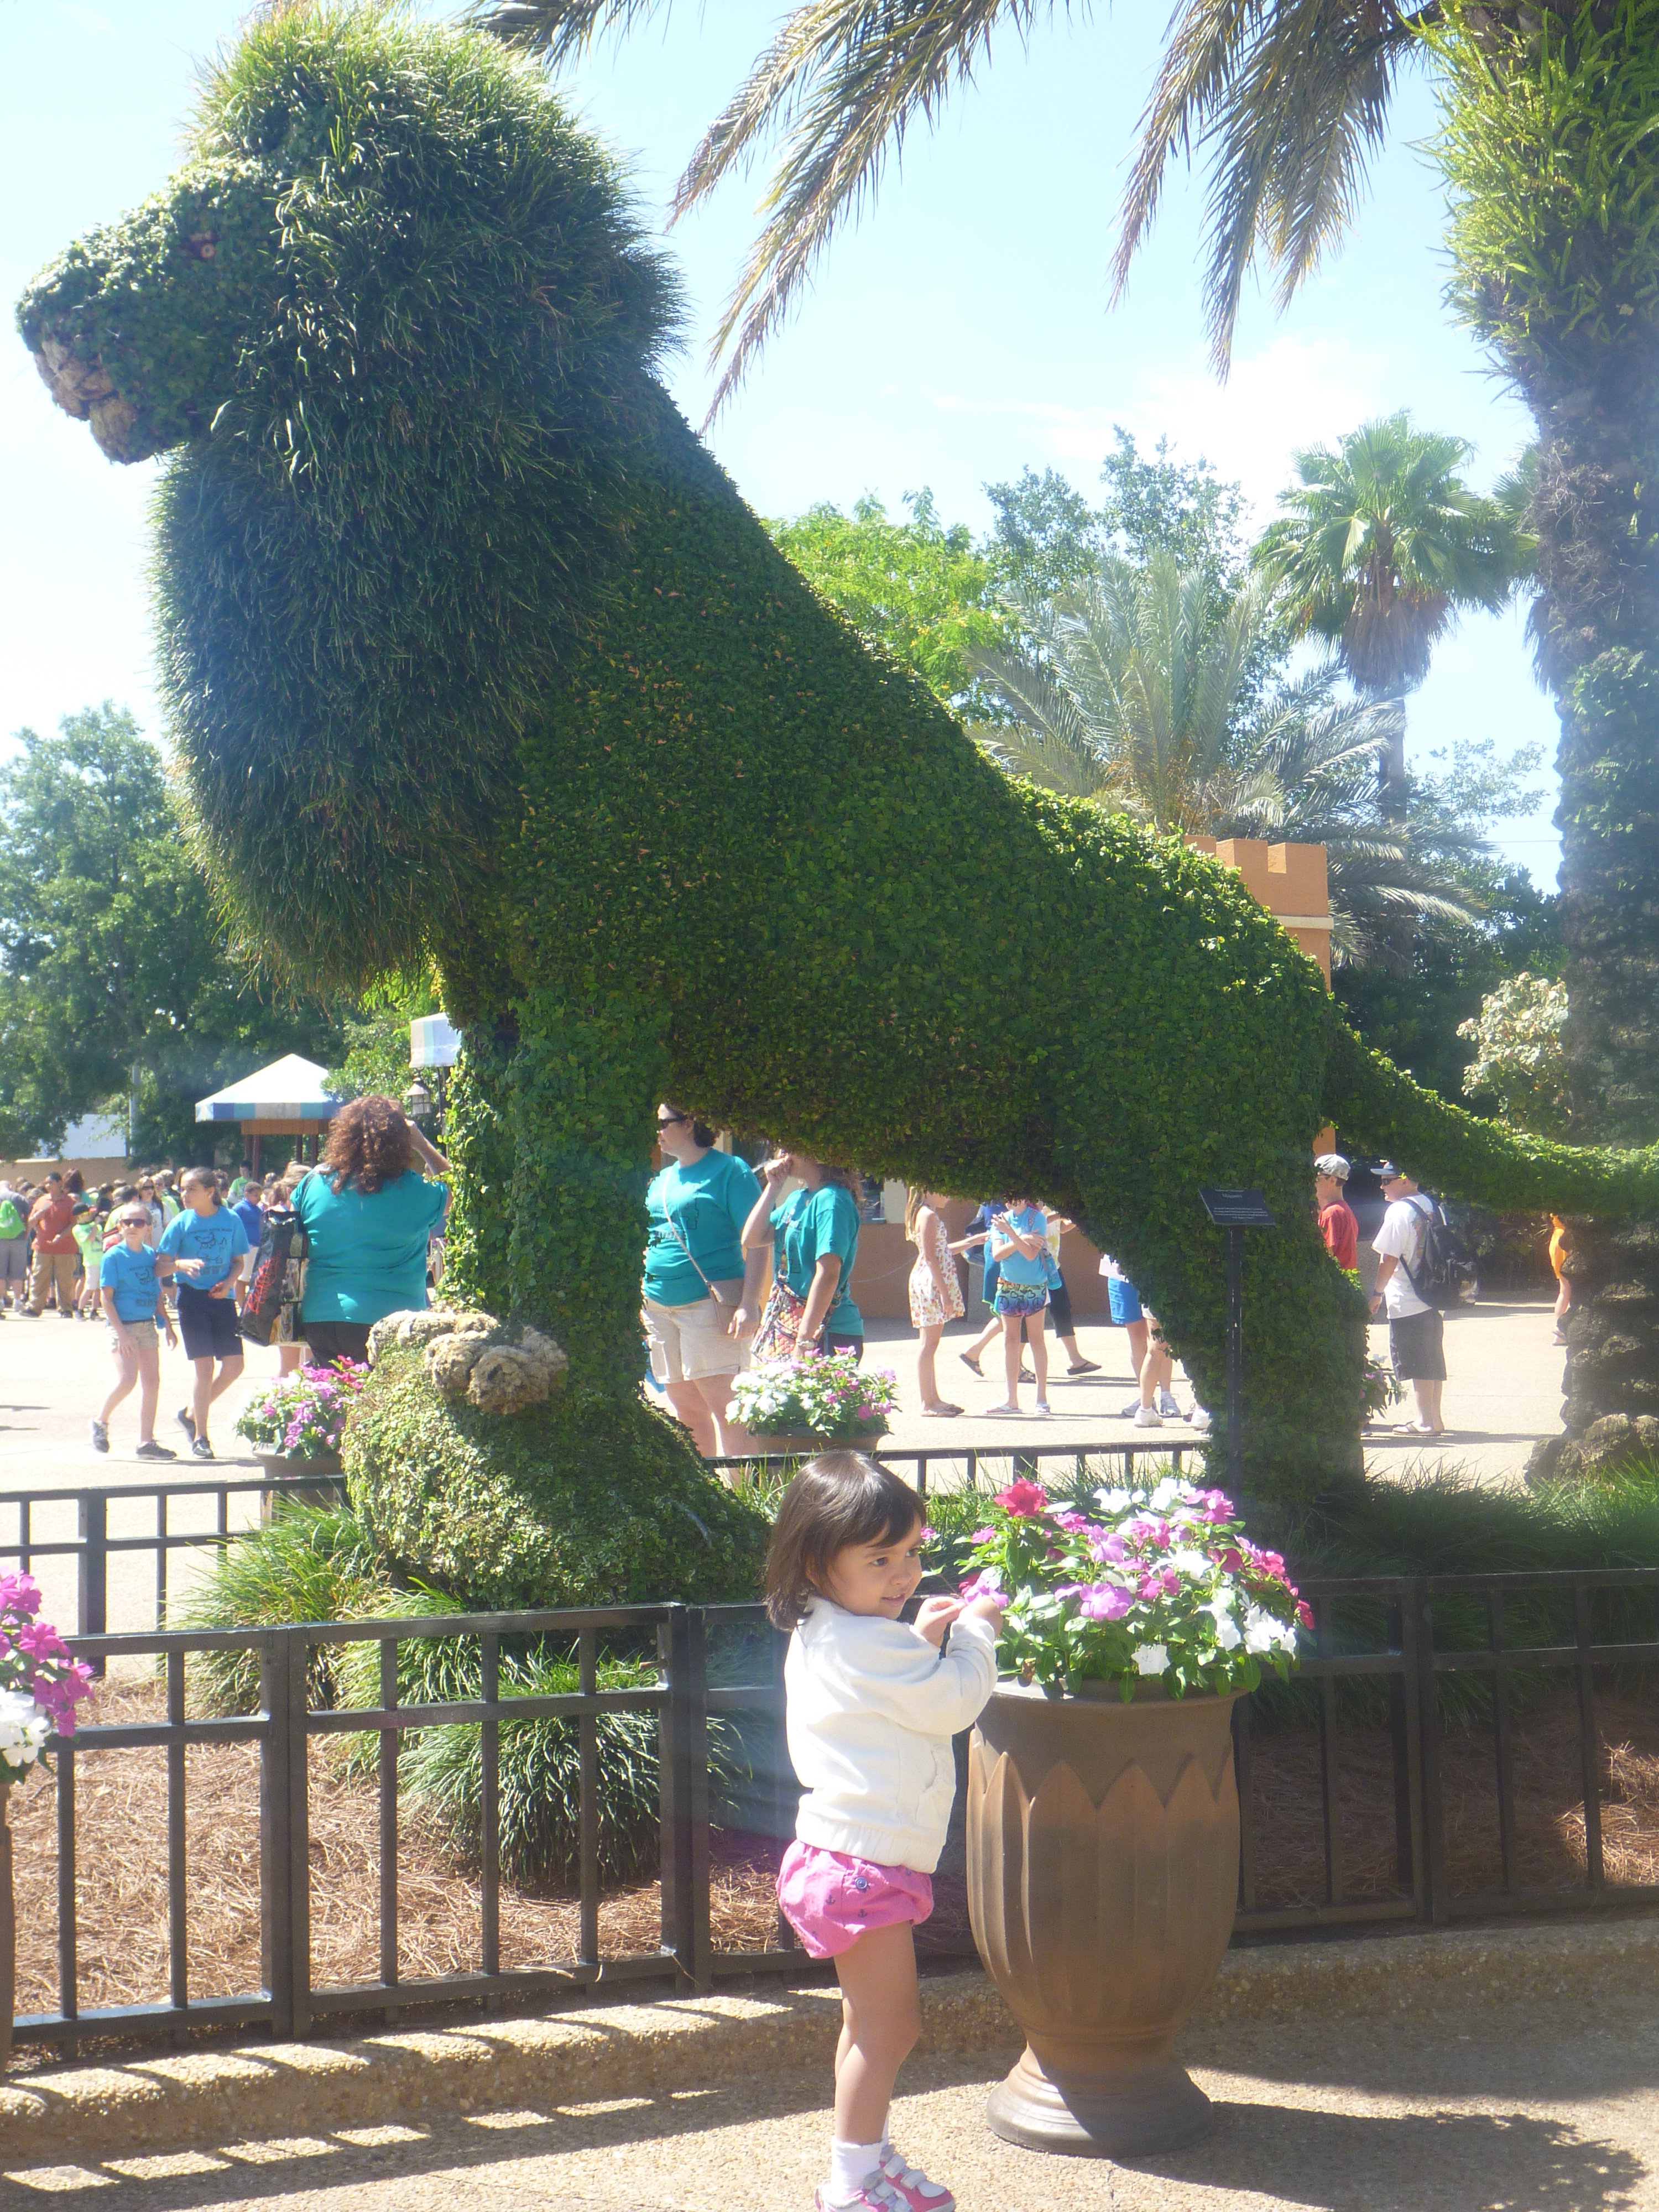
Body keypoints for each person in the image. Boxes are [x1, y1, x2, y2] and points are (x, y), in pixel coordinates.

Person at [765, 1453, 1001, 2212]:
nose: (904, 1574)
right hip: (860, 1865)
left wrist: (918, 1639)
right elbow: (951, 1703)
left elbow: (884, 1697)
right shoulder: (868, 1642)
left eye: (911, 1552)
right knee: (891, 2028)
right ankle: (850, 2184)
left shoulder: (830, 1627)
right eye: (880, 1559)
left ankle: (864, 2154)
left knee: (868, 2024)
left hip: (843, 1860)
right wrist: (975, 1636)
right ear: (815, 1562)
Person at [641, 1105, 765, 1458]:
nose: (656, 1131)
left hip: (708, 1306)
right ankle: (708, 1488)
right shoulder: (662, 1180)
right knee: (688, 1412)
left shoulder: (731, 1170)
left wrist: (749, 1304)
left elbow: (760, 1241)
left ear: (689, 1123)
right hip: (658, 1309)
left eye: (662, 1123)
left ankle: (744, 1491)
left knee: (729, 1411)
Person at [294, 1095, 450, 1365]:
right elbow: (458, 1194)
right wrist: (422, 1144)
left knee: (335, 1391)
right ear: (400, 1141)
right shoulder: (413, 1190)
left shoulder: (314, 1182)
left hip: (320, 1318)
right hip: (390, 1322)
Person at [161, 1166, 252, 1459]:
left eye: (191, 1189)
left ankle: (190, 1414)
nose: (184, 1195)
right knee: (204, 1370)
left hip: (222, 1298)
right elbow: (160, 1265)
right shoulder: (181, 1222)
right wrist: (178, 1265)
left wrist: (229, 1284)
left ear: (210, 1192)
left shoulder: (231, 1219)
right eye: (182, 1189)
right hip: (192, 1299)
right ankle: (201, 1437)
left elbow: (238, 1262)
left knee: (235, 1366)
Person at [743, 1154, 865, 1363]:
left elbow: (828, 1275)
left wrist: (805, 1341)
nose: (781, 1155)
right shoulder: (797, 1198)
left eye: (788, 1148)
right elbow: (752, 1238)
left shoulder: (832, 1200)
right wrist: (773, 1188)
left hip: (827, 1333)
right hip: (789, 1326)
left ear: (812, 1152)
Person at [92, 1203, 184, 1459]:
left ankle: (146, 1442)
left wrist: (167, 1325)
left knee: (152, 1383)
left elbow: (156, 1293)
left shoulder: (150, 1256)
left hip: (147, 1325)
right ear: (119, 1226)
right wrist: (122, 1334)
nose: (132, 1227)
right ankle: (100, 1421)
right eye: (127, 1222)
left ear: (148, 1227)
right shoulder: (113, 1256)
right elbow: (107, 1298)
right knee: (127, 1380)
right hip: (123, 1326)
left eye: (139, 1222)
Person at [1369, 1162, 1448, 1437]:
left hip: (1407, 1295)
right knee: (1432, 1358)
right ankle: (1434, 1418)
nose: (1382, 1186)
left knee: (1417, 1361)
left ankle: (1425, 1421)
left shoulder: (1398, 1211)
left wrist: (1377, 1294)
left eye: (1387, 1181)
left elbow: (1388, 1257)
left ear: (1405, 1180)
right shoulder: (1434, 1206)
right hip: (1435, 1294)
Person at [903, 1190, 968, 1418]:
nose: (949, 1195)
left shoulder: (926, 1213)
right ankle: (927, 1403)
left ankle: (934, 1399)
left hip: (927, 1280)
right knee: (928, 1344)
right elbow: (930, 1257)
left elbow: (940, 1251)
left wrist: (972, 1242)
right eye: (943, 1190)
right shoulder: (928, 1215)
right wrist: (945, 1294)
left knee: (929, 1343)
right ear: (928, 1190)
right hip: (930, 1283)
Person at [984, 1199, 1052, 1418]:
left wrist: (1012, 1235)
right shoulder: (1000, 1221)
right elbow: (997, 1254)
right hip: (1008, 1286)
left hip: (1034, 1286)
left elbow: (1030, 1254)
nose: (1008, 1200)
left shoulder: (1037, 1218)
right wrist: (1022, 1238)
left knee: (1036, 1339)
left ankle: (1042, 1400)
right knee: (1010, 1340)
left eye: (1014, 1195)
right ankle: (1011, 1400)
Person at [1039, 1208, 1100, 1375]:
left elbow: (1060, 1228)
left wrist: (1077, 1218)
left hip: (1052, 1265)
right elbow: (1036, 1222)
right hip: (1036, 1266)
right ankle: (977, 1351)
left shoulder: (1051, 1203)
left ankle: (1076, 1360)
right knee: (1027, 1315)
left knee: (1062, 1309)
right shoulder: (1032, 1202)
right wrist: (1062, 1213)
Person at [24, 1172, 77, 1317]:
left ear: (60, 1183)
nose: (48, 1186)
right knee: (39, 1278)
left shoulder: (70, 1202)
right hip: (43, 1247)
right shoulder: (42, 1201)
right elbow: (30, 1223)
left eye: (51, 1183)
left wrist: (61, 1235)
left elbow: (74, 1223)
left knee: (65, 1280)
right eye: (47, 1183)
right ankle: (34, 1308)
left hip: (64, 1248)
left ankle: (66, 1309)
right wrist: (37, 1216)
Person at [1315, 1152, 1359, 1271]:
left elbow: (1326, 1257)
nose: (1313, 1183)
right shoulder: (1344, 1210)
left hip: (1333, 1280)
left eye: (1317, 1179)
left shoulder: (1331, 1213)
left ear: (1332, 1180)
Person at [71, 1201, 105, 1317]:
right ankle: (80, 1310)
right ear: (80, 1216)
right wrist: (95, 1225)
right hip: (92, 1261)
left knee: (99, 1288)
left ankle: (94, 1310)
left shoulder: (96, 1226)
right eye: (87, 1214)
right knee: (90, 1287)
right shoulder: (77, 1229)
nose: (90, 1215)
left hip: (102, 1259)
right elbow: (90, 1238)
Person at [0, 1178, 27, 1312]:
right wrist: (26, 1233)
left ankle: (1, 1302)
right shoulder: (19, 1198)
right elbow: (28, 1217)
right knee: (18, 1272)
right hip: (19, 1239)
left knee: (0, 1273)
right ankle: (17, 1301)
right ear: (10, 1187)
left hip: (1, 1239)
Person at [1549, 1214, 1571, 1346]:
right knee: (1567, 1288)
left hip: (1557, 1239)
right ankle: (1560, 1330)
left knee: (1564, 1289)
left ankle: (1560, 1331)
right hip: (1564, 1240)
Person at [232, 1178, 265, 1254]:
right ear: (247, 1194)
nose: (259, 1198)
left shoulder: (259, 1209)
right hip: (245, 1245)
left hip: (258, 1245)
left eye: (260, 1196)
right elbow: (232, 1225)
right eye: (256, 1195)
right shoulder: (240, 1208)